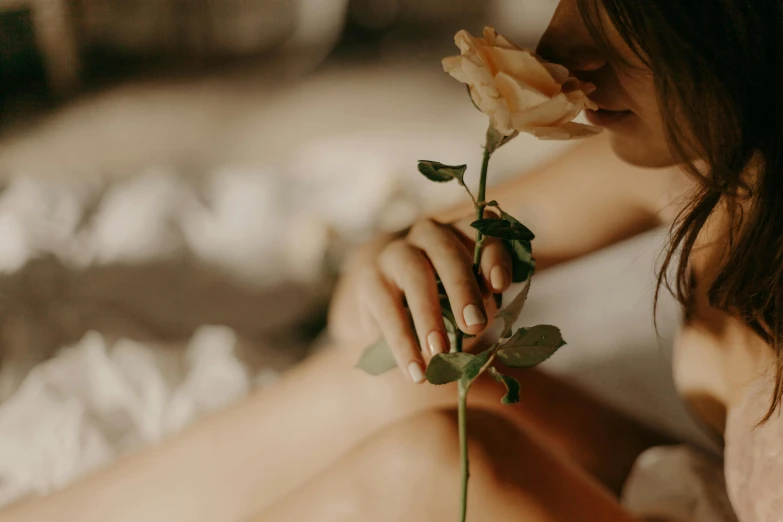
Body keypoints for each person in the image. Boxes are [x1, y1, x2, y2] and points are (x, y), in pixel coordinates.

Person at [2, 0, 781, 520]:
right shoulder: (715, 164)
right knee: (410, 385)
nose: (557, 48)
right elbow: (366, 299)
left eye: (629, 15)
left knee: (431, 463)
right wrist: (393, 272)